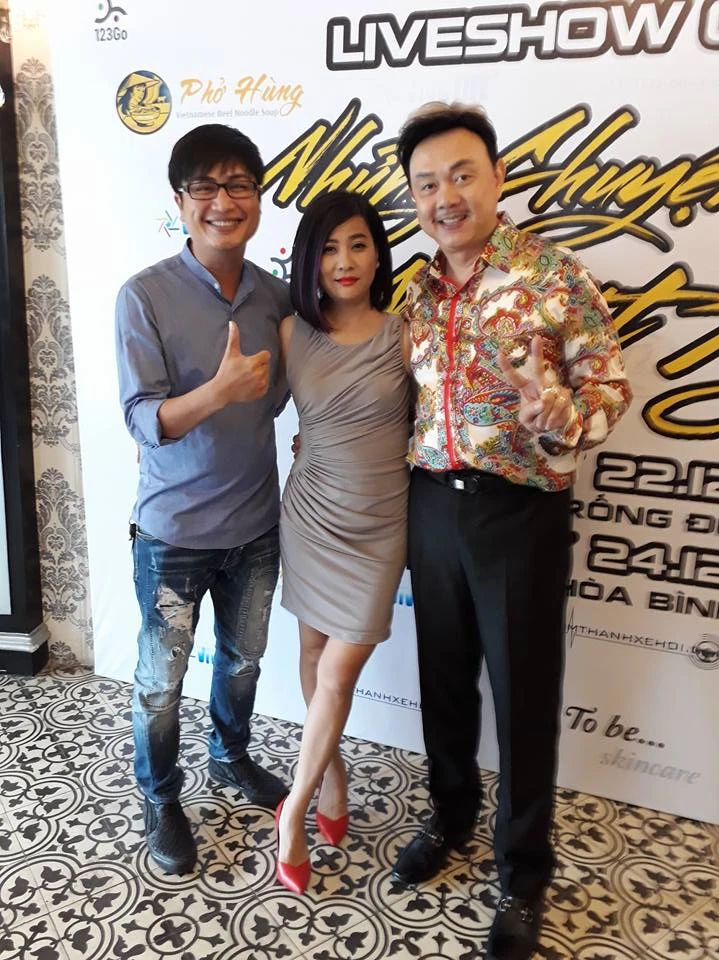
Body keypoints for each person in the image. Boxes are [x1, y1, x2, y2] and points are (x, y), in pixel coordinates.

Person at [392, 102, 632, 960]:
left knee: (523, 697)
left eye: (462, 175)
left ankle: (524, 873)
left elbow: (610, 387)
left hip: (520, 508)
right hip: (430, 504)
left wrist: (558, 411)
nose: (445, 196)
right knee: (443, 682)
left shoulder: (553, 276)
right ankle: (450, 817)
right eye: (427, 184)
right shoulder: (417, 291)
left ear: (497, 177)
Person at [116, 124, 291, 876]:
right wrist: (217, 391)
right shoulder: (144, 295)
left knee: (244, 662)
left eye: (239, 185)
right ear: (180, 200)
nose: (224, 201)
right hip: (173, 534)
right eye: (206, 187)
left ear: (258, 196)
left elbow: (297, 388)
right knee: (161, 684)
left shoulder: (276, 297)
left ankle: (230, 755)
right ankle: (160, 796)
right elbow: (141, 420)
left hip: (256, 526)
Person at [274, 190, 411, 894]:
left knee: (337, 672)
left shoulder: (406, 334)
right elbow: (253, 409)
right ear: (310, 260)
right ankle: (330, 775)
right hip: (310, 515)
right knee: (310, 654)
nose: (345, 260)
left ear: (379, 254)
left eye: (359, 243)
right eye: (328, 248)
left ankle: (293, 810)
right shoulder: (291, 332)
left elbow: (440, 427)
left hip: (381, 525)